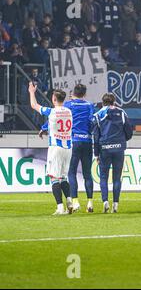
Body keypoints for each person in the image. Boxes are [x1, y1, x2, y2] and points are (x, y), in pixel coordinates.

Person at [46, 84, 95, 213]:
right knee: (87, 174)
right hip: (87, 141)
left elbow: (55, 117)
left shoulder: (68, 105)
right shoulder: (90, 105)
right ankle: (90, 203)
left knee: (71, 173)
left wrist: (44, 128)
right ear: (84, 94)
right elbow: (92, 121)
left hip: (74, 142)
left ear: (73, 93)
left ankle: (75, 201)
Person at [28, 82, 73, 215]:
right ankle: (69, 201)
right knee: (64, 177)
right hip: (68, 148)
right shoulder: (69, 111)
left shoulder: (51, 112)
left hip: (56, 148)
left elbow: (34, 105)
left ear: (54, 99)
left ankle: (60, 207)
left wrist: (32, 92)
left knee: (54, 178)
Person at [93, 93, 133, 214]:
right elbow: (129, 131)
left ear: (102, 102)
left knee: (103, 177)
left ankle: (105, 201)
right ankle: (115, 204)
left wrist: (96, 154)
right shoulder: (121, 112)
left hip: (104, 148)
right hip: (119, 148)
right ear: (114, 101)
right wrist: (121, 140)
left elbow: (96, 136)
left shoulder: (98, 114)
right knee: (117, 177)